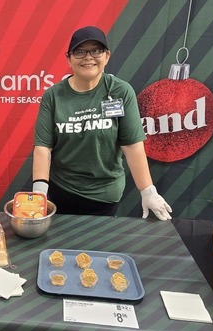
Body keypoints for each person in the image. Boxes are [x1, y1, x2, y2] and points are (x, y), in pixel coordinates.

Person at [31, 26, 172, 220]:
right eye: (80, 51)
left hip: (104, 195)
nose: (88, 57)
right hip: (62, 191)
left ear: (106, 56)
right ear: (69, 58)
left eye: (96, 50)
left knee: (97, 249)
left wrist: (148, 191)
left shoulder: (121, 92)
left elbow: (132, 145)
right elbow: (43, 148)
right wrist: (39, 193)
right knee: (61, 248)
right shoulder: (53, 96)